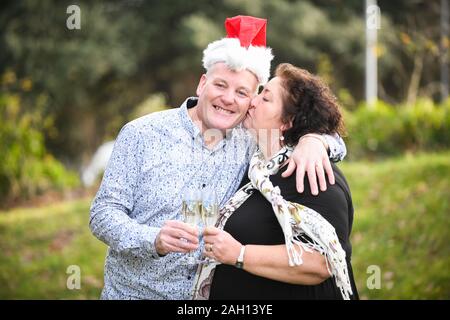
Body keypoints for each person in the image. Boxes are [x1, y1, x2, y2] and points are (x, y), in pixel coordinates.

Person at [90, 16, 347, 300]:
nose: (228, 99)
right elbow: (102, 214)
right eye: (220, 85)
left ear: (252, 100)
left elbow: (308, 128)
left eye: (241, 92)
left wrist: (315, 141)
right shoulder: (141, 134)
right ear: (202, 84)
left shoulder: (251, 141)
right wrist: (153, 239)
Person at [196, 63, 359, 300]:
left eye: (265, 98)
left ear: (287, 121)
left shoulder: (312, 173)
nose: (252, 100)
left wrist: (239, 254)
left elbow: (321, 262)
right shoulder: (258, 168)